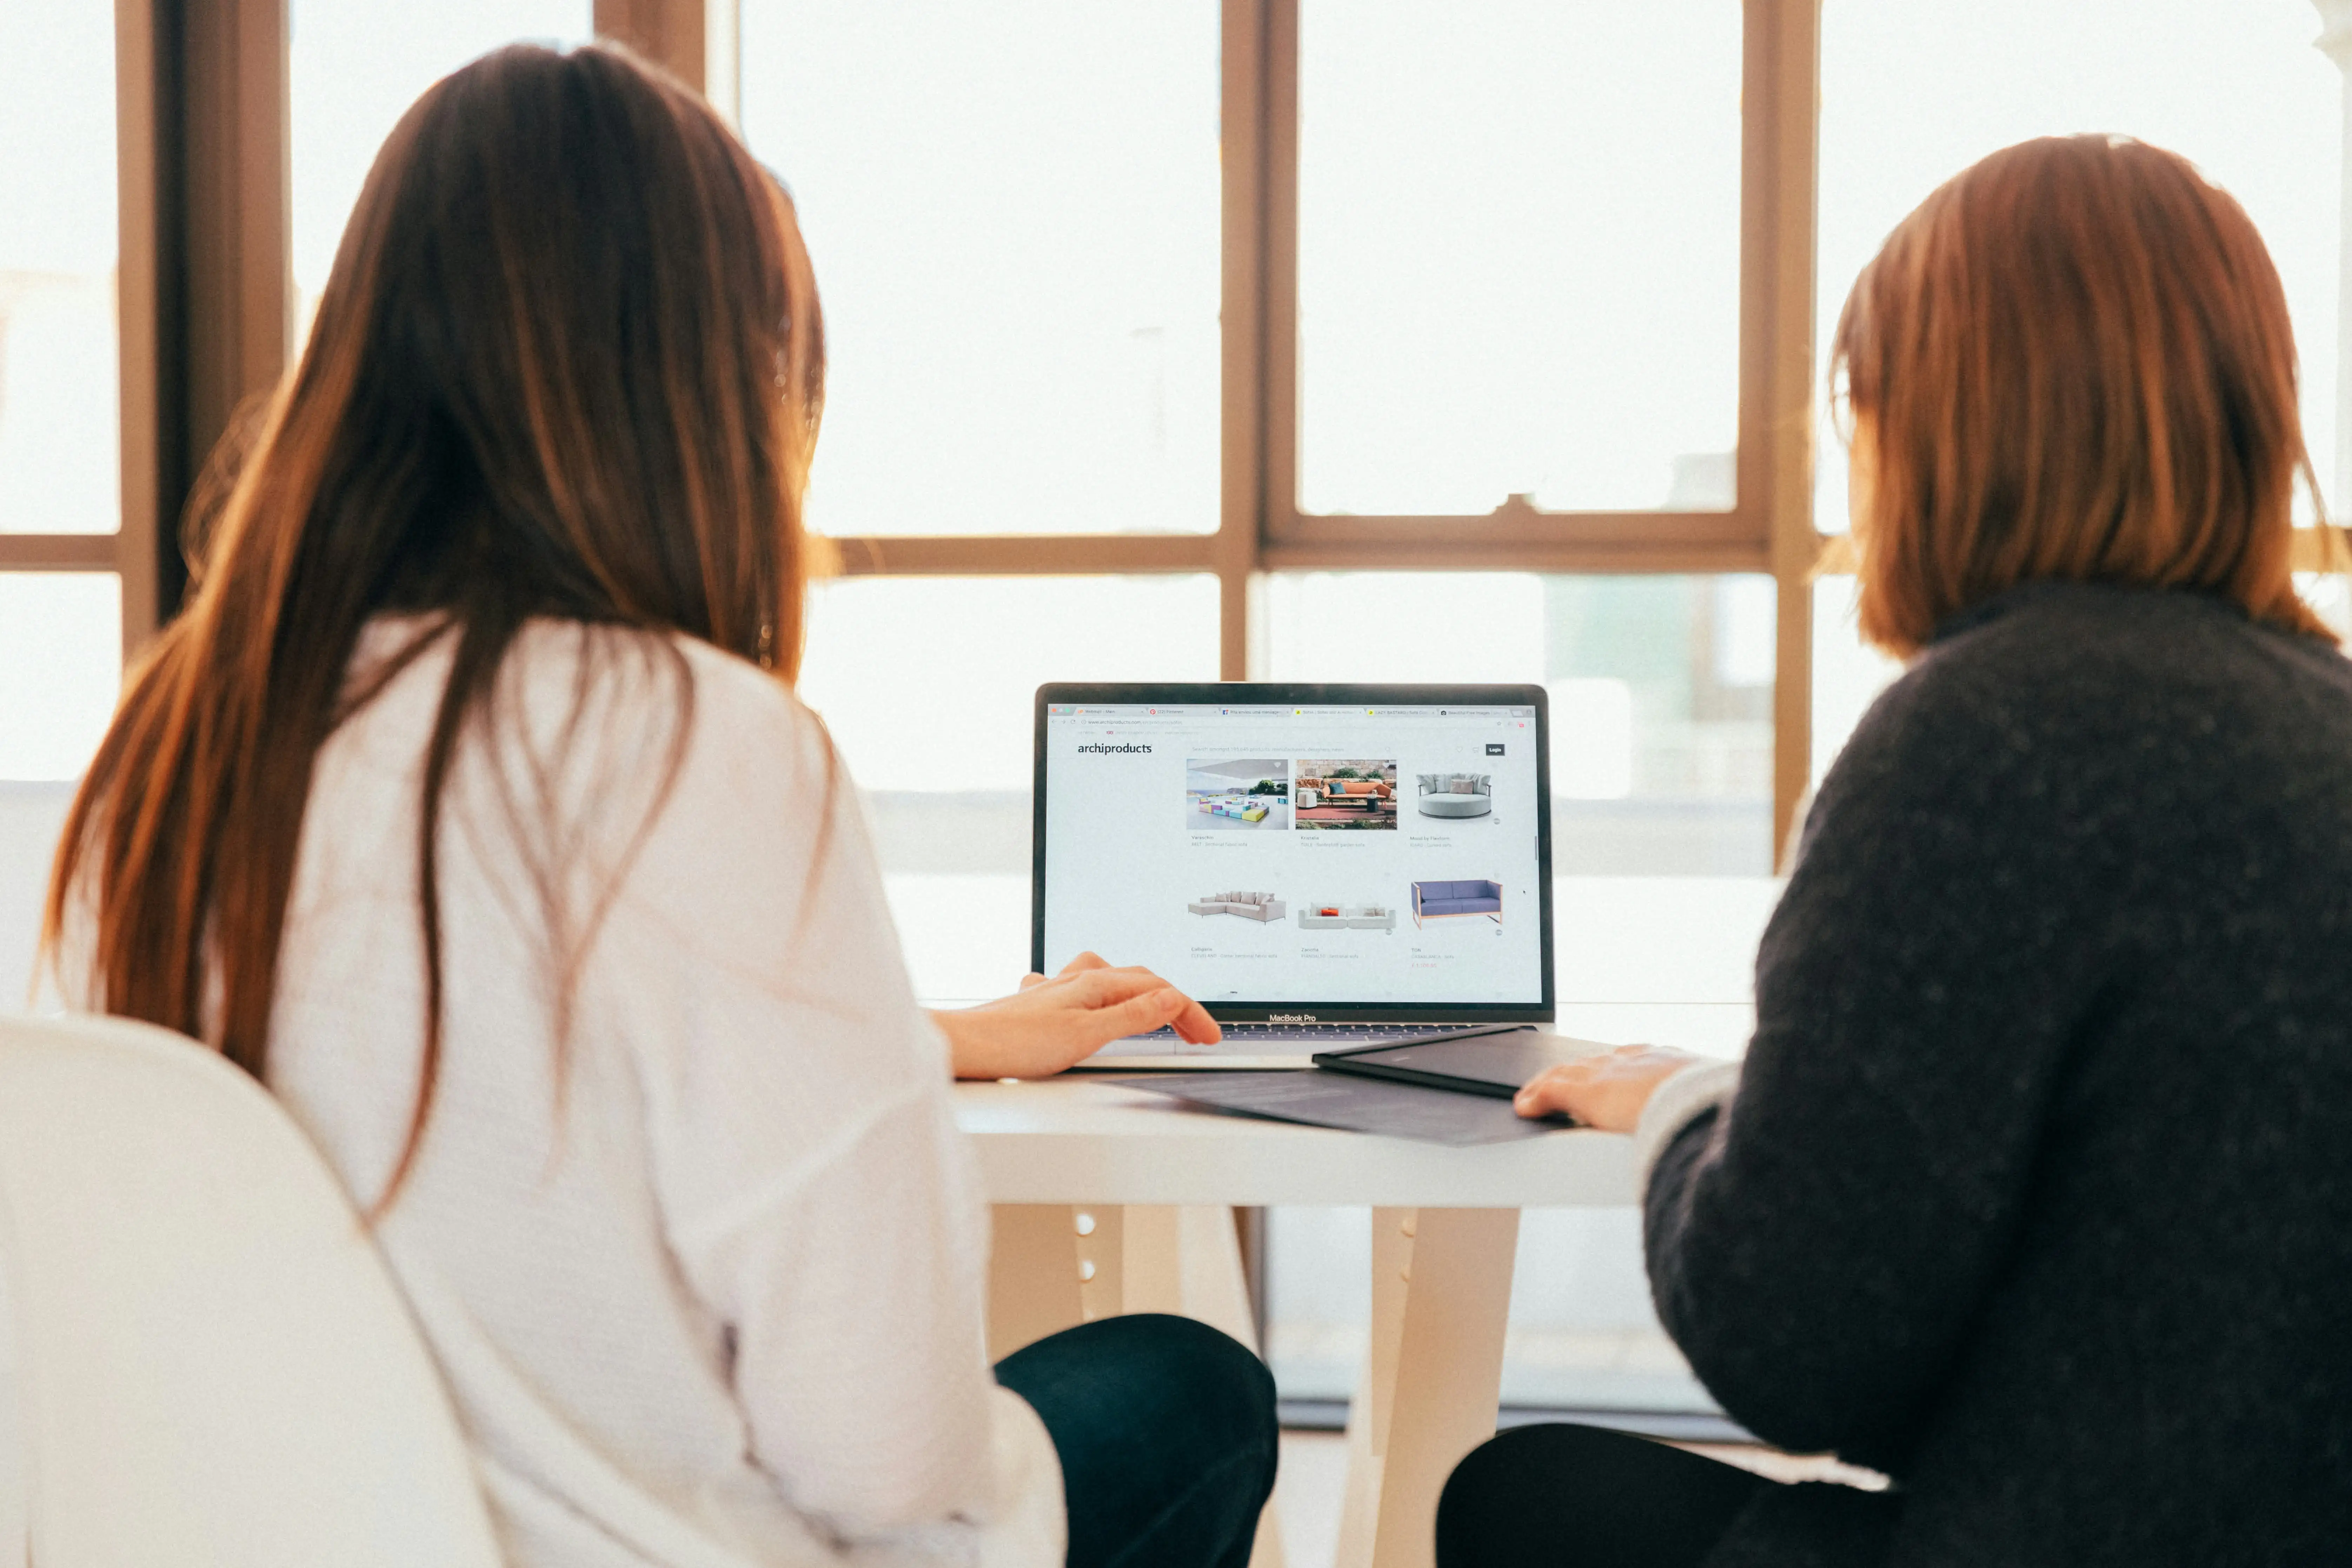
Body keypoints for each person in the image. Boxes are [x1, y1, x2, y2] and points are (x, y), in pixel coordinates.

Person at [43, 43, 1274, 1568]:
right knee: (1191, 1387)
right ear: (710, 391)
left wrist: (920, 1036)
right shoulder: (702, 741)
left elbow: (465, 1065)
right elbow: (885, 1456)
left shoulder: (169, 747)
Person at [1442, 135, 2352, 1566]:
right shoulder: (2323, 710)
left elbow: (1796, 1352)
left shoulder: (1984, 733)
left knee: (1516, 1500)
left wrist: (1687, 1110)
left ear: (1927, 422)